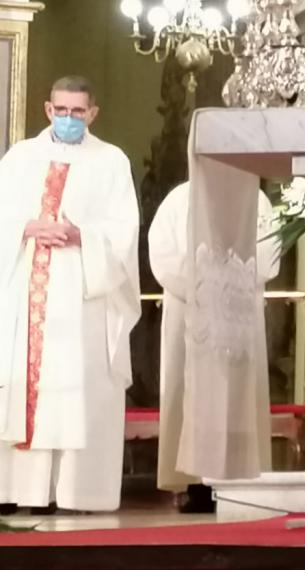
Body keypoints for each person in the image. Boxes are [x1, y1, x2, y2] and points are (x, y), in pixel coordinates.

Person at [0, 76, 140, 514]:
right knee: (24, 386)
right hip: (26, 293)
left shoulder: (111, 161)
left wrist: (84, 235)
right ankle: (18, 491)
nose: (68, 119)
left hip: (82, 295)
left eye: (77, 112)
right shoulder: (20, 157)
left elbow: (124, 230)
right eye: (61, 111)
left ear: (92, 114)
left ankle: (75, 493)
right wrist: (26, 226)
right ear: (47, 110)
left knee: (79, 388)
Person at [149, 181, 281, 513]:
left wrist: (229, 278)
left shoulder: (257, 201)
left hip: (239, 309)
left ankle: (241, 482)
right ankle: (192, 485)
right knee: (189, 393)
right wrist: (203, 281)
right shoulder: (178, 199)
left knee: (236, 396)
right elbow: (162, 255)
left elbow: (270, 253)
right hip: (189, 308)